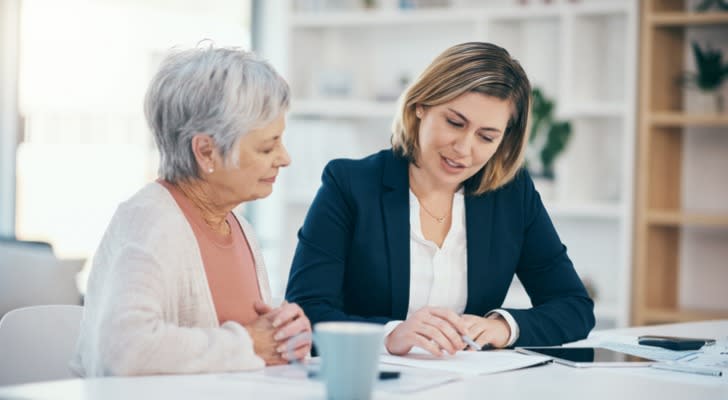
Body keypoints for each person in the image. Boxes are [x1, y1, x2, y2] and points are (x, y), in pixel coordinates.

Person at [285, 42, 594, 357]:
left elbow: (574, 307)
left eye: (486, 137)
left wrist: (502, 327)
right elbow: (304, 312)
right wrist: (391, 335)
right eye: (455, 123)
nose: (463, 148)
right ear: (421, 105)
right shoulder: (350, 185)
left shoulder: (512, 196)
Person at [72, 46, 312, 376]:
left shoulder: (240, 227)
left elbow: (244, 350)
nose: (284, 158)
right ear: (206, 151)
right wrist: (249, 344)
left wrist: (284, 337)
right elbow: (125, 350)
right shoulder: (151, 222)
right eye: (267, 146)